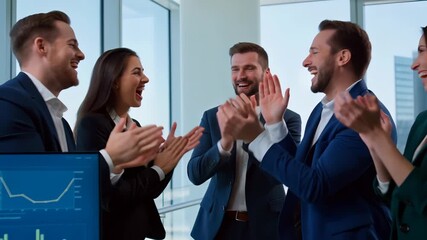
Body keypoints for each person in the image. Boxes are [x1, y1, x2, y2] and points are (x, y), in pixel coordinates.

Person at [218, 20, 396, 240]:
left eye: (314, 52)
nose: (305, 61)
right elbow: (300, 172)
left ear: (342, 57)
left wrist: (257, 137)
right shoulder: (321, 110)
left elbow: (315, 186)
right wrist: (275, 124)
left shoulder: (366, 116)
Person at [0, 10, 168, 229]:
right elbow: (31, 191)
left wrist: (117, 166)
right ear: (41, 46)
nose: (81, 54)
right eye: (72, 45)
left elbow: (85, 196)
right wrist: (110, 157)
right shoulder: (8, 102)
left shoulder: (62, 124)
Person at [74, 47, 203, 240]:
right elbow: (111, 198)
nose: (146, 79)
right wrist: (158, 169)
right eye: (137, 72)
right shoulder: (92, 125)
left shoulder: (134, 126)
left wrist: (169, 159)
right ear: (115, 81)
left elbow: (149, 190)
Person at [187, 42, 302, 240]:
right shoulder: (213, 117)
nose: (240, 76)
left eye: (249, 68)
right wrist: (224, 143)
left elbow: (288, 174)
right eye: (235, 69)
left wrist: (260, 133)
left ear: (266, 73)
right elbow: (195, 174)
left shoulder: (287, 119)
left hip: (265, 227)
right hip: (217, 228)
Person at [334, 26, 427, 240]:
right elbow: (396, 195)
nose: (415, 64)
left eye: (422, 51)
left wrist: (376, 135)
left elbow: (422, 195)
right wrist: (375, 143)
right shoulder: (422, 121)